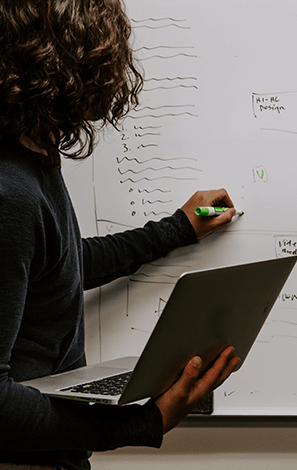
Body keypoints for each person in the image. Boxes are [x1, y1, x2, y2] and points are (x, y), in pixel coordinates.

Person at [0, 1, 240, 469]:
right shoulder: (10, 192)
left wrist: (176, 229)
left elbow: (60, 267)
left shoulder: (33, 156)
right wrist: (143, 423)